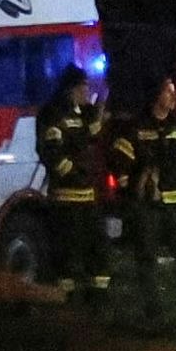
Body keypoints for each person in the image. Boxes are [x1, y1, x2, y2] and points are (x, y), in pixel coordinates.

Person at [108, 76, 176, 319]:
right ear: (156, 96)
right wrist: (129, 191)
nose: (173, 97)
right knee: (146, 259)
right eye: (168, 92)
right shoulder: (137, 129)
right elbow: (120, 162)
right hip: (147, 207)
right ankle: (153, 311)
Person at [35, 65, 112, 302]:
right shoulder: (53, 113)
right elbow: (51, 152)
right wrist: (75, 173)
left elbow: (92, 136)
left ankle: (97, 297)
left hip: (88, 196)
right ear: (72, 89)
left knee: (97, 248)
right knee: (67, 251)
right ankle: (64, 299)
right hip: (66, 197)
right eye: (84, 87)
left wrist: (100, 115)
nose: (87, 91)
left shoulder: (83, 113)